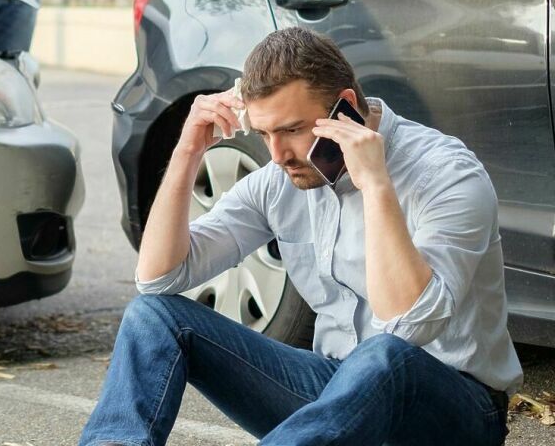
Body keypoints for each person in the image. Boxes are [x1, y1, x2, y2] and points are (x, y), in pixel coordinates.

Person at [80, 27, 521, 446]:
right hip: (335, 395)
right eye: (264, 134)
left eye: (292, 129)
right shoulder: (281, 177)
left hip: (452, 410)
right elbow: (159, 278)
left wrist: (376, 187)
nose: (277, 155)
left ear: (344, 108)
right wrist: (188, 150)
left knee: (382, 355)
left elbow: (409, 326)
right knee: (153, 316)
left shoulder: (445, 172)